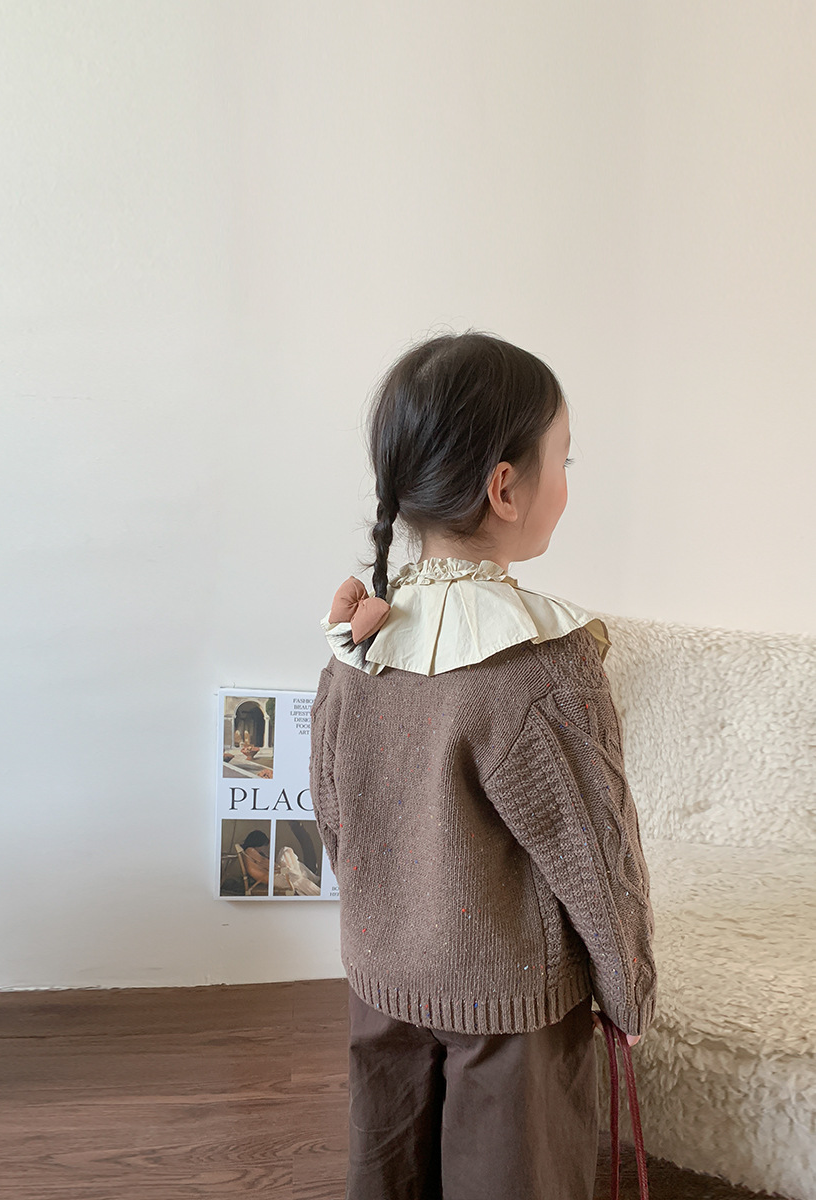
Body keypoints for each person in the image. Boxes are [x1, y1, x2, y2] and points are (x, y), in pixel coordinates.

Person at [308, 330, 657, 1200]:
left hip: (381, 979)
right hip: (515, 1009)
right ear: (505, 488)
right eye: (563, 460)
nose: (567, 481)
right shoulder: (544, 665)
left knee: (388, 1174)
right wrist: (629, 992)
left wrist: (391, 923)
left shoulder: (357, 645)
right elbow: (595, 857)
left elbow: (334, 815)